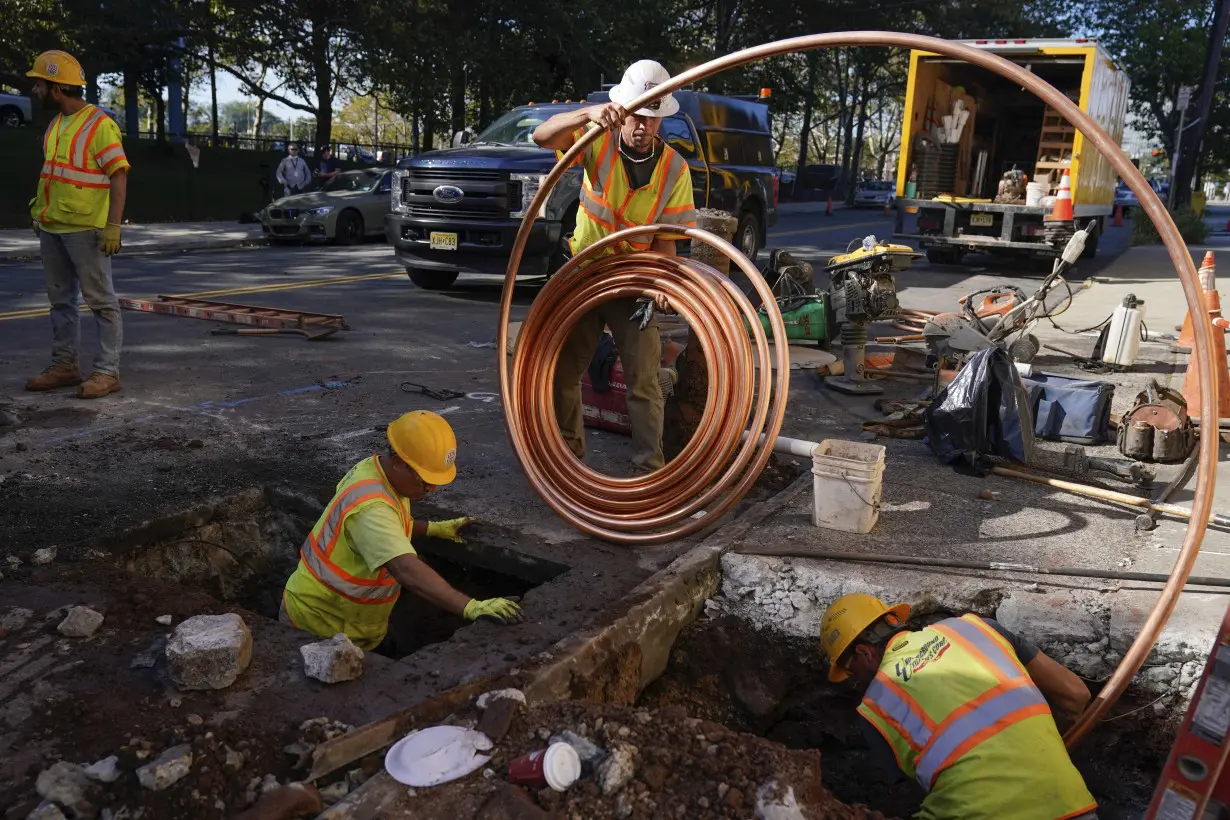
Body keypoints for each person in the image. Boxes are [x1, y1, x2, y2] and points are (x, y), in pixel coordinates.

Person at [531, 60, 696, 471]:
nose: (644, 126)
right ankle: (569, 459)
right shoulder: (597, 140)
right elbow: (541, 137)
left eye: (653, 118)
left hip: (633, 282)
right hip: (582, 274)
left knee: (644, 378)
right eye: (637, 115)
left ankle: (649, 470)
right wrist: (587, 112)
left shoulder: (675, 168)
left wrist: (662, 284)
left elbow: (667, 242)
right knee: (563, 370)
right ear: (622, 110)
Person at [819, 593, 1098, 820]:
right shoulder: (978, 628)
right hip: (1070, 805)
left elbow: (916, 797)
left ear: (864, 652)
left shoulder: (874, 709)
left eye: (850, 670)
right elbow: (1076, 695)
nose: (855, 679)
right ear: (893, 620)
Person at [280, 410, 524, 654]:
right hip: (321, 626)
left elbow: (389, 527)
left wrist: (432, 529)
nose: (432, 489)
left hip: (354, 619)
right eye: (425, 481)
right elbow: (405, 568)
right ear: (398, 463)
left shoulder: (374, 470)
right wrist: (470, 607)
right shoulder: (372, 509)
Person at [24, 50, 129, 400]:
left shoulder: (100, 125)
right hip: (53, 227)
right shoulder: (55, 124)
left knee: (101, 302)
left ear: (56, 88)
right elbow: (54, 175)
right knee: (61, 301)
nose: (34, 89)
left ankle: (107, 371)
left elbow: (118, 176)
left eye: (38, 83)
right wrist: (40, 211)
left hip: (86, 231)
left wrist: (113, 226)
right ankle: (65, 365)